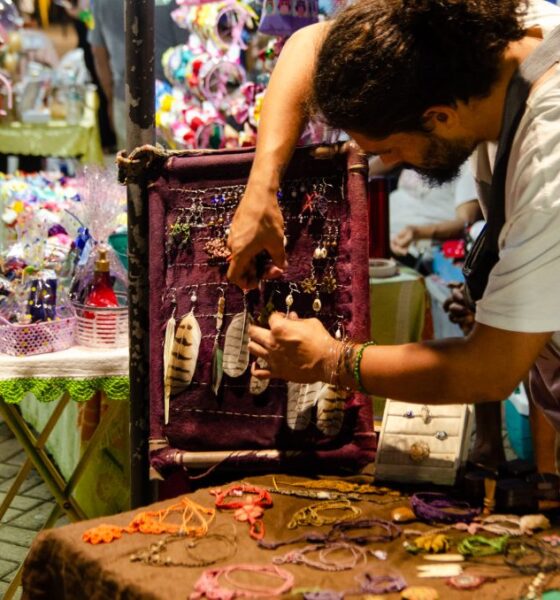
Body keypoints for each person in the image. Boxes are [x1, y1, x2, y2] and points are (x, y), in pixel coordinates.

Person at [227, 0, 560, 459]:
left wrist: (331, 360)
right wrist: (261, 189)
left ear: (439, 116)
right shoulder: (470, 39)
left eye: (389, 148)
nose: (390, 163)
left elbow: (492, 368)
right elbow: (308, 43)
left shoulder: (550, 155)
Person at [88, 0, 184, 150]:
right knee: (173, 167)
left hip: (126, 98)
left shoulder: (100, 3)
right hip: (172, 101)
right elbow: (186, 48)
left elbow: (98, 52)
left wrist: (110, 97)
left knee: (133, 166)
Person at [387, 163, 481, 262]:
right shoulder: (421, 153)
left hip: (409, 252)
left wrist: (417, 232)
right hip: (378, 235)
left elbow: (466, 223)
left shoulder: (468, 166)